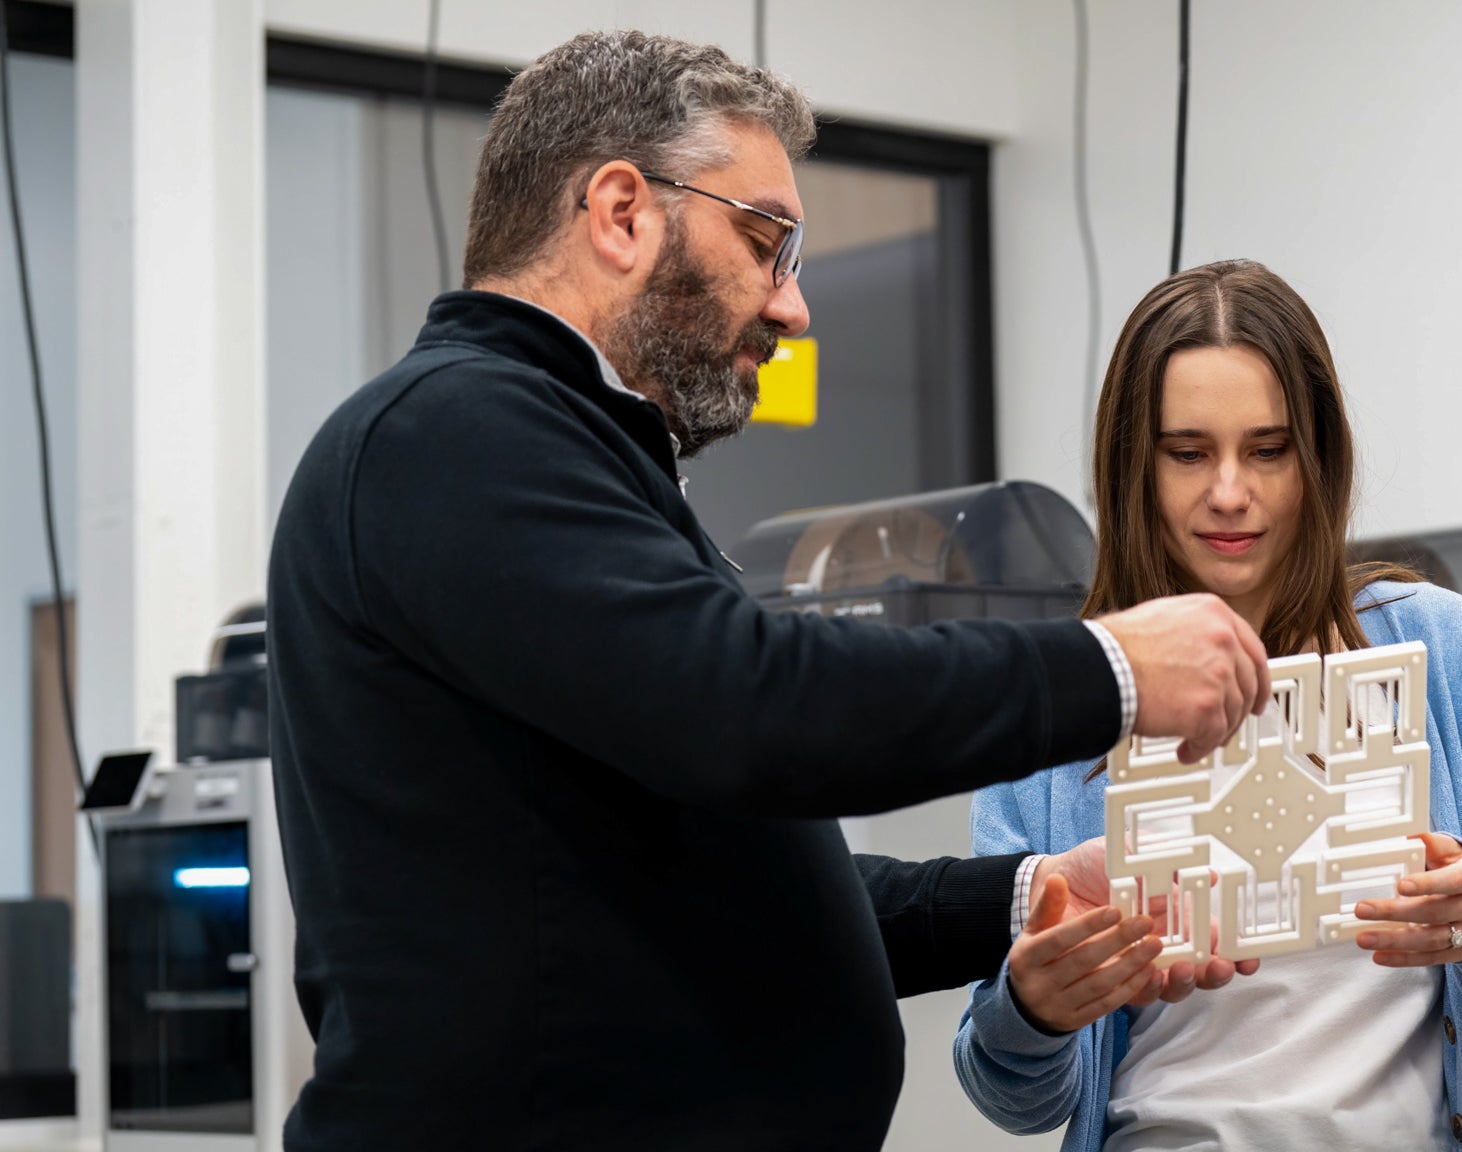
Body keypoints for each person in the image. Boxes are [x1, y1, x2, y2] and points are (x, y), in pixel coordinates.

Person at [266, 32, 1267, 1152]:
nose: (792, 310)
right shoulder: (455, 432)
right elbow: (753, 708)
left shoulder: (563, 452)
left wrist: (1024, 893)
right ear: (621, 212)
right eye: (766, 242)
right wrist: (1115, 667)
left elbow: (733, 882)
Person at [952, 260, 1462, 1151]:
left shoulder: (1443, 649)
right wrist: (1035, 1009)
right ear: (1131, 466)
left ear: (1318, 458)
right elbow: (1014, 1099)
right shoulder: (1063, 692)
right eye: (1187, 452)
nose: (1229, 492)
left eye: (1268, 449)